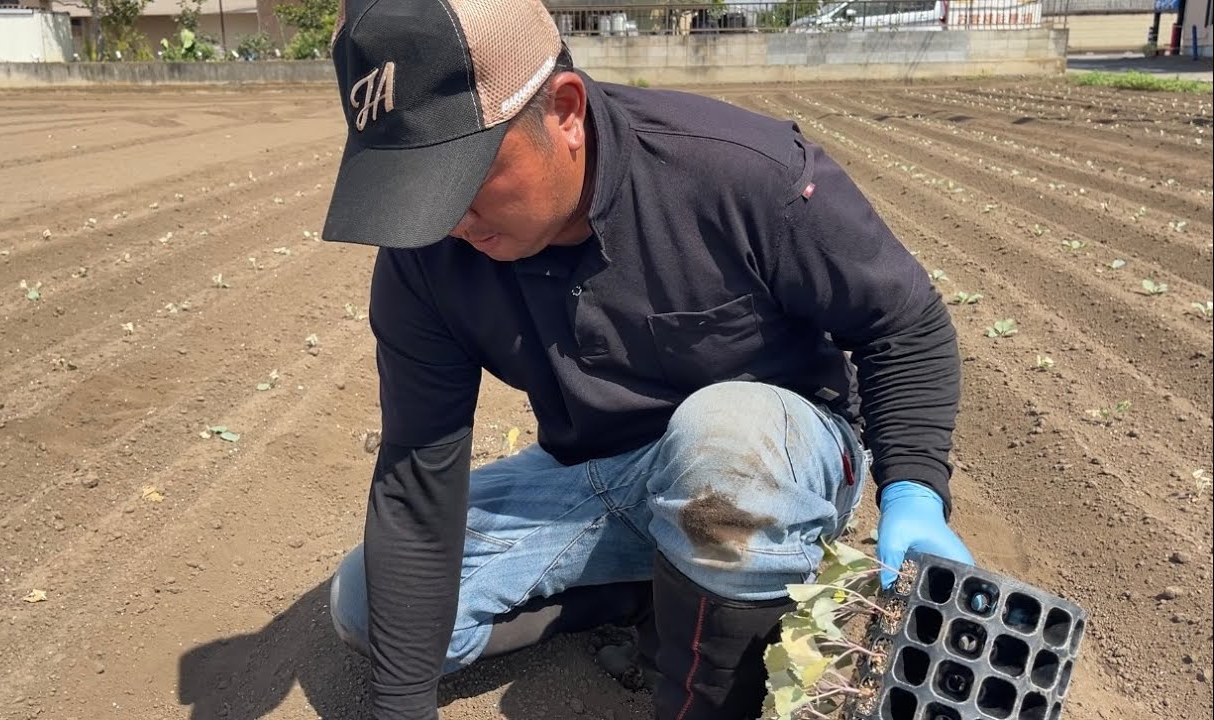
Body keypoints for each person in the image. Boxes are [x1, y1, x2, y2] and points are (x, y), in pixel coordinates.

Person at [320, 0, 975, 717]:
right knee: (372, 607)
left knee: (725, 438)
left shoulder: (740, 174)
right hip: (596, 473)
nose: (445, 221)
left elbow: (903, 322)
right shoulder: (425, 261)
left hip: (768, 461)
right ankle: (655, 588)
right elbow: (417, 486)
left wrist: (912, 489)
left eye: (460, 180)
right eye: (418, 188)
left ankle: (719, 650)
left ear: (564, 113)